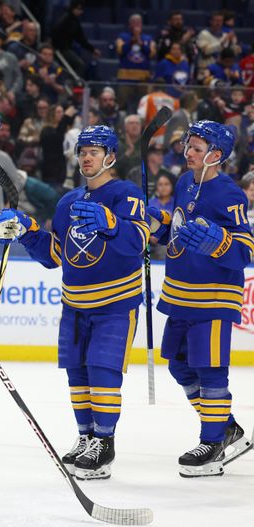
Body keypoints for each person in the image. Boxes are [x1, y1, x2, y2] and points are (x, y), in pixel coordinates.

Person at [0, 125, 149, 480]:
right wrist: (30, 232)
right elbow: (58, 254)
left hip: (115, 305)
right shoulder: (67, 202)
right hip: (74, 306)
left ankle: (104, 442)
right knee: (77, 375)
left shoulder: (126, 194)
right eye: (82, 152)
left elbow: (138, 241)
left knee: (102, 371)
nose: (87, 157)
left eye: (94, 151)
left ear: (110, 156)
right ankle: (86, 437)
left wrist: (112, 223)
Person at [147, 121, 252, 477]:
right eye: (188, 146)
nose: (187, 152)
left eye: (195, 147)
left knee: (209, 369)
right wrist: (157, 225)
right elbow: (177, 231)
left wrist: (219, 244)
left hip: (212, 296)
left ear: (216, 155)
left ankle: (212, 442)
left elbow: (245, 250)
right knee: (179, 365)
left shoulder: (229, 194)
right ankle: (226, 427)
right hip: (180, 292)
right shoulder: (184, 182)